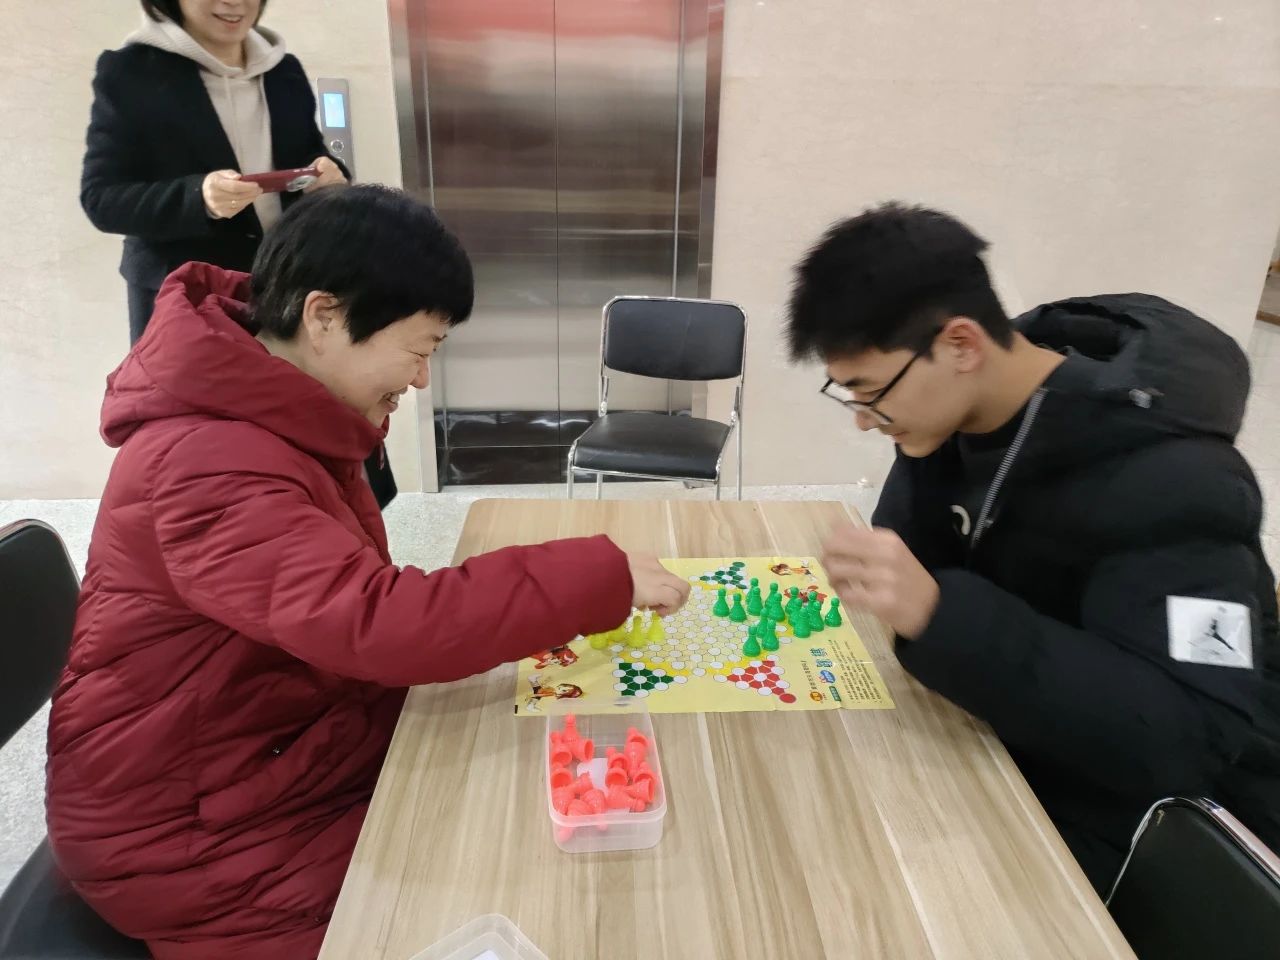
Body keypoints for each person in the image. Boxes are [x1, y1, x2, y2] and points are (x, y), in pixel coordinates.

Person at [45, 184, 691, 960]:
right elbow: (373, 621)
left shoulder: (280, 413)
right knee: (517, 887)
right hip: (188, 834)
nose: (420, 381)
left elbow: (341, 602)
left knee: (523, 786)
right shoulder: (205, 461)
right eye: (419, 350)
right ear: (323, 316)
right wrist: (594, 580)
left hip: (268, 754)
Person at [787, 202, 1280, 891]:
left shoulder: (1179, 480)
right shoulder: (951, 417)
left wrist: (943, 614)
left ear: (961, 345)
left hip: (1151, 838)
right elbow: (914, 555)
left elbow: (1187, 736)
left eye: (871, 392)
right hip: (1005, 742)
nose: (866, 421)